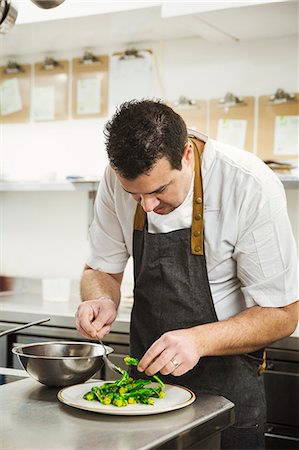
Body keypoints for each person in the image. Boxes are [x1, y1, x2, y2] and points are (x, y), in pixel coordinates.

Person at [76, 99, 298, 449]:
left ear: (187, 156)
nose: (147, 206)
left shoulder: (247, 184)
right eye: (134, 195)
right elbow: (100, 268)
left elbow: (283, 314)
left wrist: (197, 341)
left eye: (158, 190)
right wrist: (101, 297)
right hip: (144, 393)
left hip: (229, 393)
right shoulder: (114, 179)